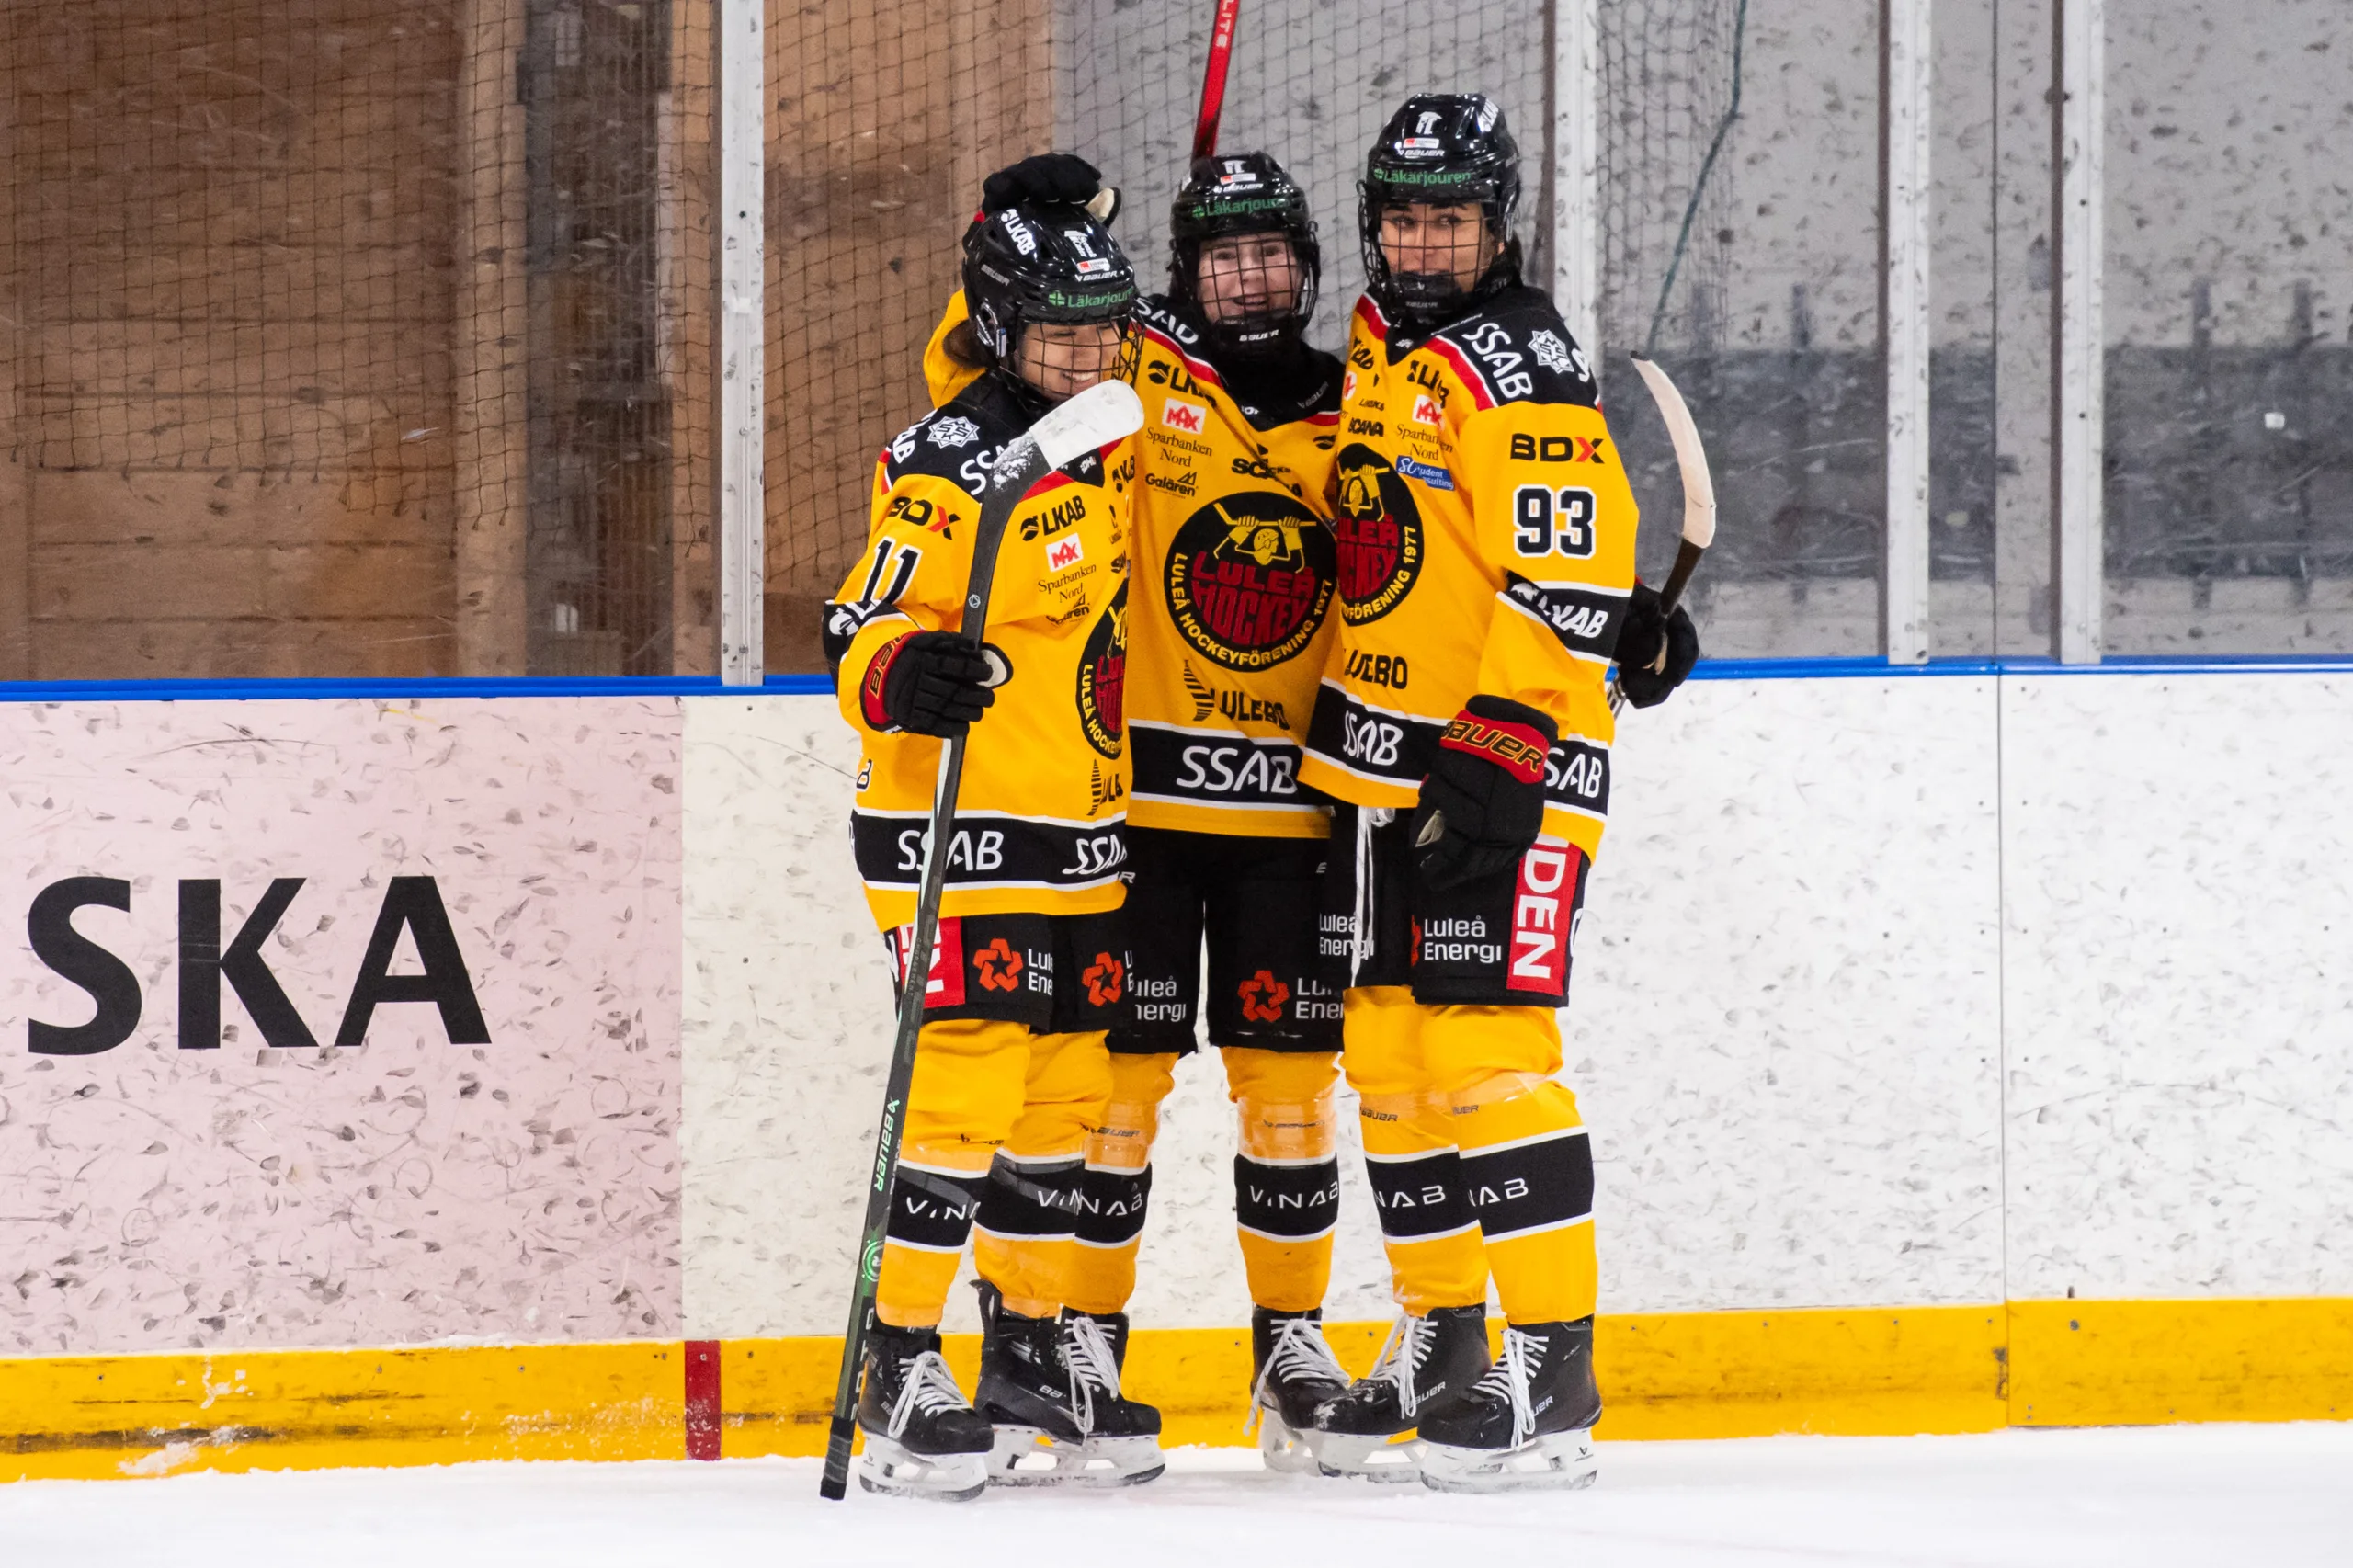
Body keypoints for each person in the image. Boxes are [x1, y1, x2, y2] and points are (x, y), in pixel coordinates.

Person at [928, 151, 1357, 1471]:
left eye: (1271, 251)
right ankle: (1074, 1342)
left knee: (1293, 1096)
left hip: (1293, 811)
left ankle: (1290, 1346)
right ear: (1182, 270)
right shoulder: (1131, 370)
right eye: (1221, 253)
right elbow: (971, 373)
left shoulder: (1362, 397)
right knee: (1107, 1094)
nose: (1249, 277)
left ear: (1309, 265)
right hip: (1139, 815)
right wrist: (1028, 224)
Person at [1295, 94, 1699, 1493]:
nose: (1425, 243)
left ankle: (1552, 1363)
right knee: (1391, 1058)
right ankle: (1446, 1335)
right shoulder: (1383, 348)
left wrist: (1510, 736)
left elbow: (1564, 562)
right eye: (1404, 219)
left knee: (1485, 1052)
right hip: (1383, 767)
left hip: (1499, 768)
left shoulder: (1516, 359)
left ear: (1498, 226)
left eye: (1451, 220)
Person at [821, 187, 1163, 1499]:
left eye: (1102, 329)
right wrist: (899, 671)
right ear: (1002, 329)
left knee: (1069, 1090)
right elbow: (855, 621)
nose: (1088, 353)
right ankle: (899, 1357)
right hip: (949, 822)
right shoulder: (948, 459)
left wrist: (1049, 214)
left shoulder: (1109, 425)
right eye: (1058, 332)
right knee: (965, 1087)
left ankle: (1025, 1348)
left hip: (1080, 817)